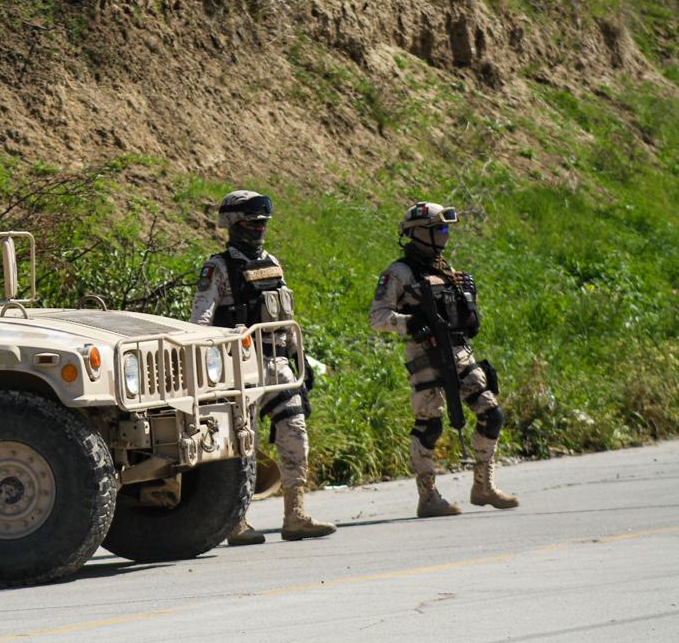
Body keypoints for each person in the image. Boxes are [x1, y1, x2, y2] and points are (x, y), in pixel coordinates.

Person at [191, 190, 336, 544]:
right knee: (243, 442)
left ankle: (295, 514)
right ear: (233, 223)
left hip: (278, 364)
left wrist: (300, 358)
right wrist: (227, 338)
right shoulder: (218, 267)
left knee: (295, 432)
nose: (259, 229)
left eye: (263, 223)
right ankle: (235, 522)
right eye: (252, 222)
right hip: (239, 367)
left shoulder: (272, 263)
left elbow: (286, 318)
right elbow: (199, 321)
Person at [368, 201, 520, 517]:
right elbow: (378, 317)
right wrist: (410, 323)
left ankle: (483, 486)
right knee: (430, 424)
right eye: (441, 229)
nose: (447, 235)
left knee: (492, 414)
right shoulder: (399, 272)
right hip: (425, 355)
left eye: (447, 229)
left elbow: (468, 322)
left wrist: (469, 306)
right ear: (420, 233)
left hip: (460, 351)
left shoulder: (446, 270)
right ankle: (428, 496)